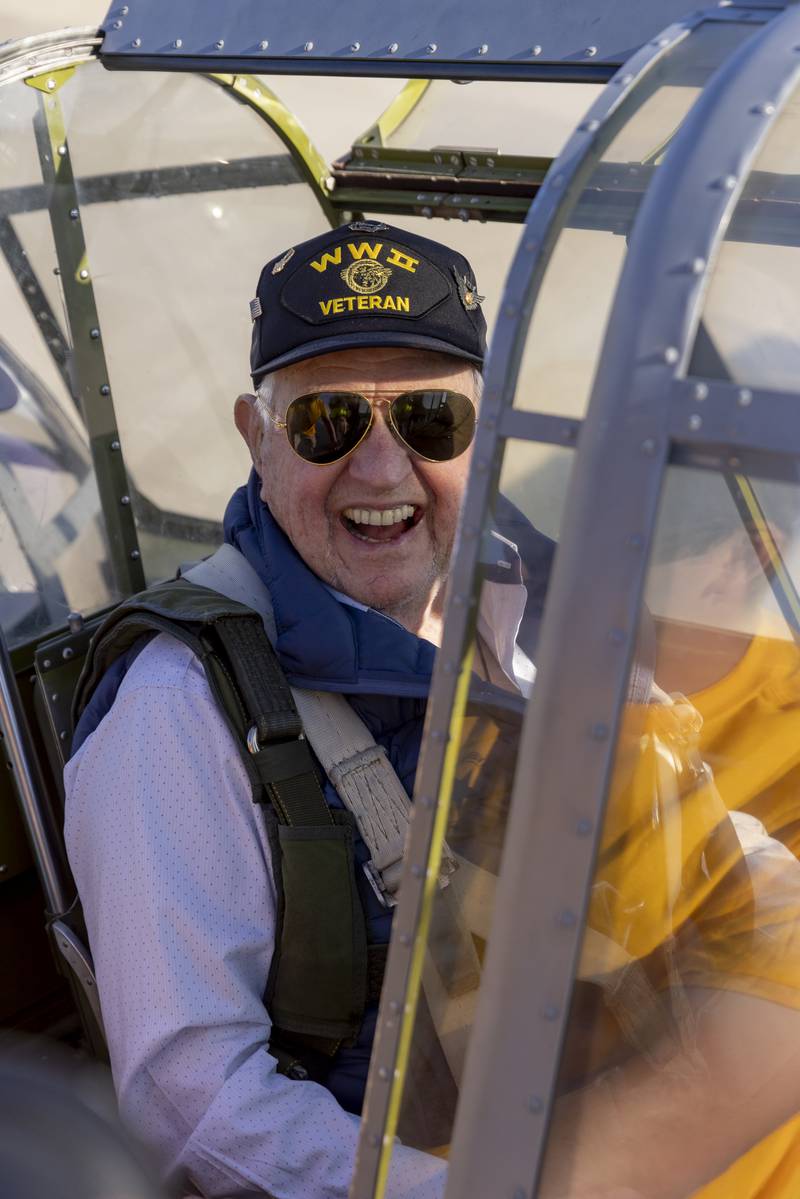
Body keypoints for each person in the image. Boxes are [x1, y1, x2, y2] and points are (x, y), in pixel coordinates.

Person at [63, 222, 553, 1199]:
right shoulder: (176, 710)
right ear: (256, 435)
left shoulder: (521, 590)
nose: (380, 471)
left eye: (428, 418)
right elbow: (190, 1103)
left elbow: (671, 796)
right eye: (327, 421)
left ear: (485, 430)